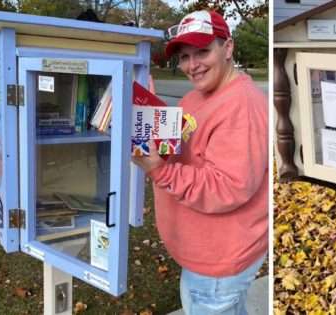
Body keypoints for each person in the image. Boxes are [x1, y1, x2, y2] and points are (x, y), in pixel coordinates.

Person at [132, 10, 268, 315]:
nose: (192, 66)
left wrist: (159, 170)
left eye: (203, 52)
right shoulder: (195, 97)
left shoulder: (241, 105)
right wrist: (145, 112)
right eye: (184, 56)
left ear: (228, 47)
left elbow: (228, 187)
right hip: (203, 255)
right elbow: (177, 147)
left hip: (221, 261)